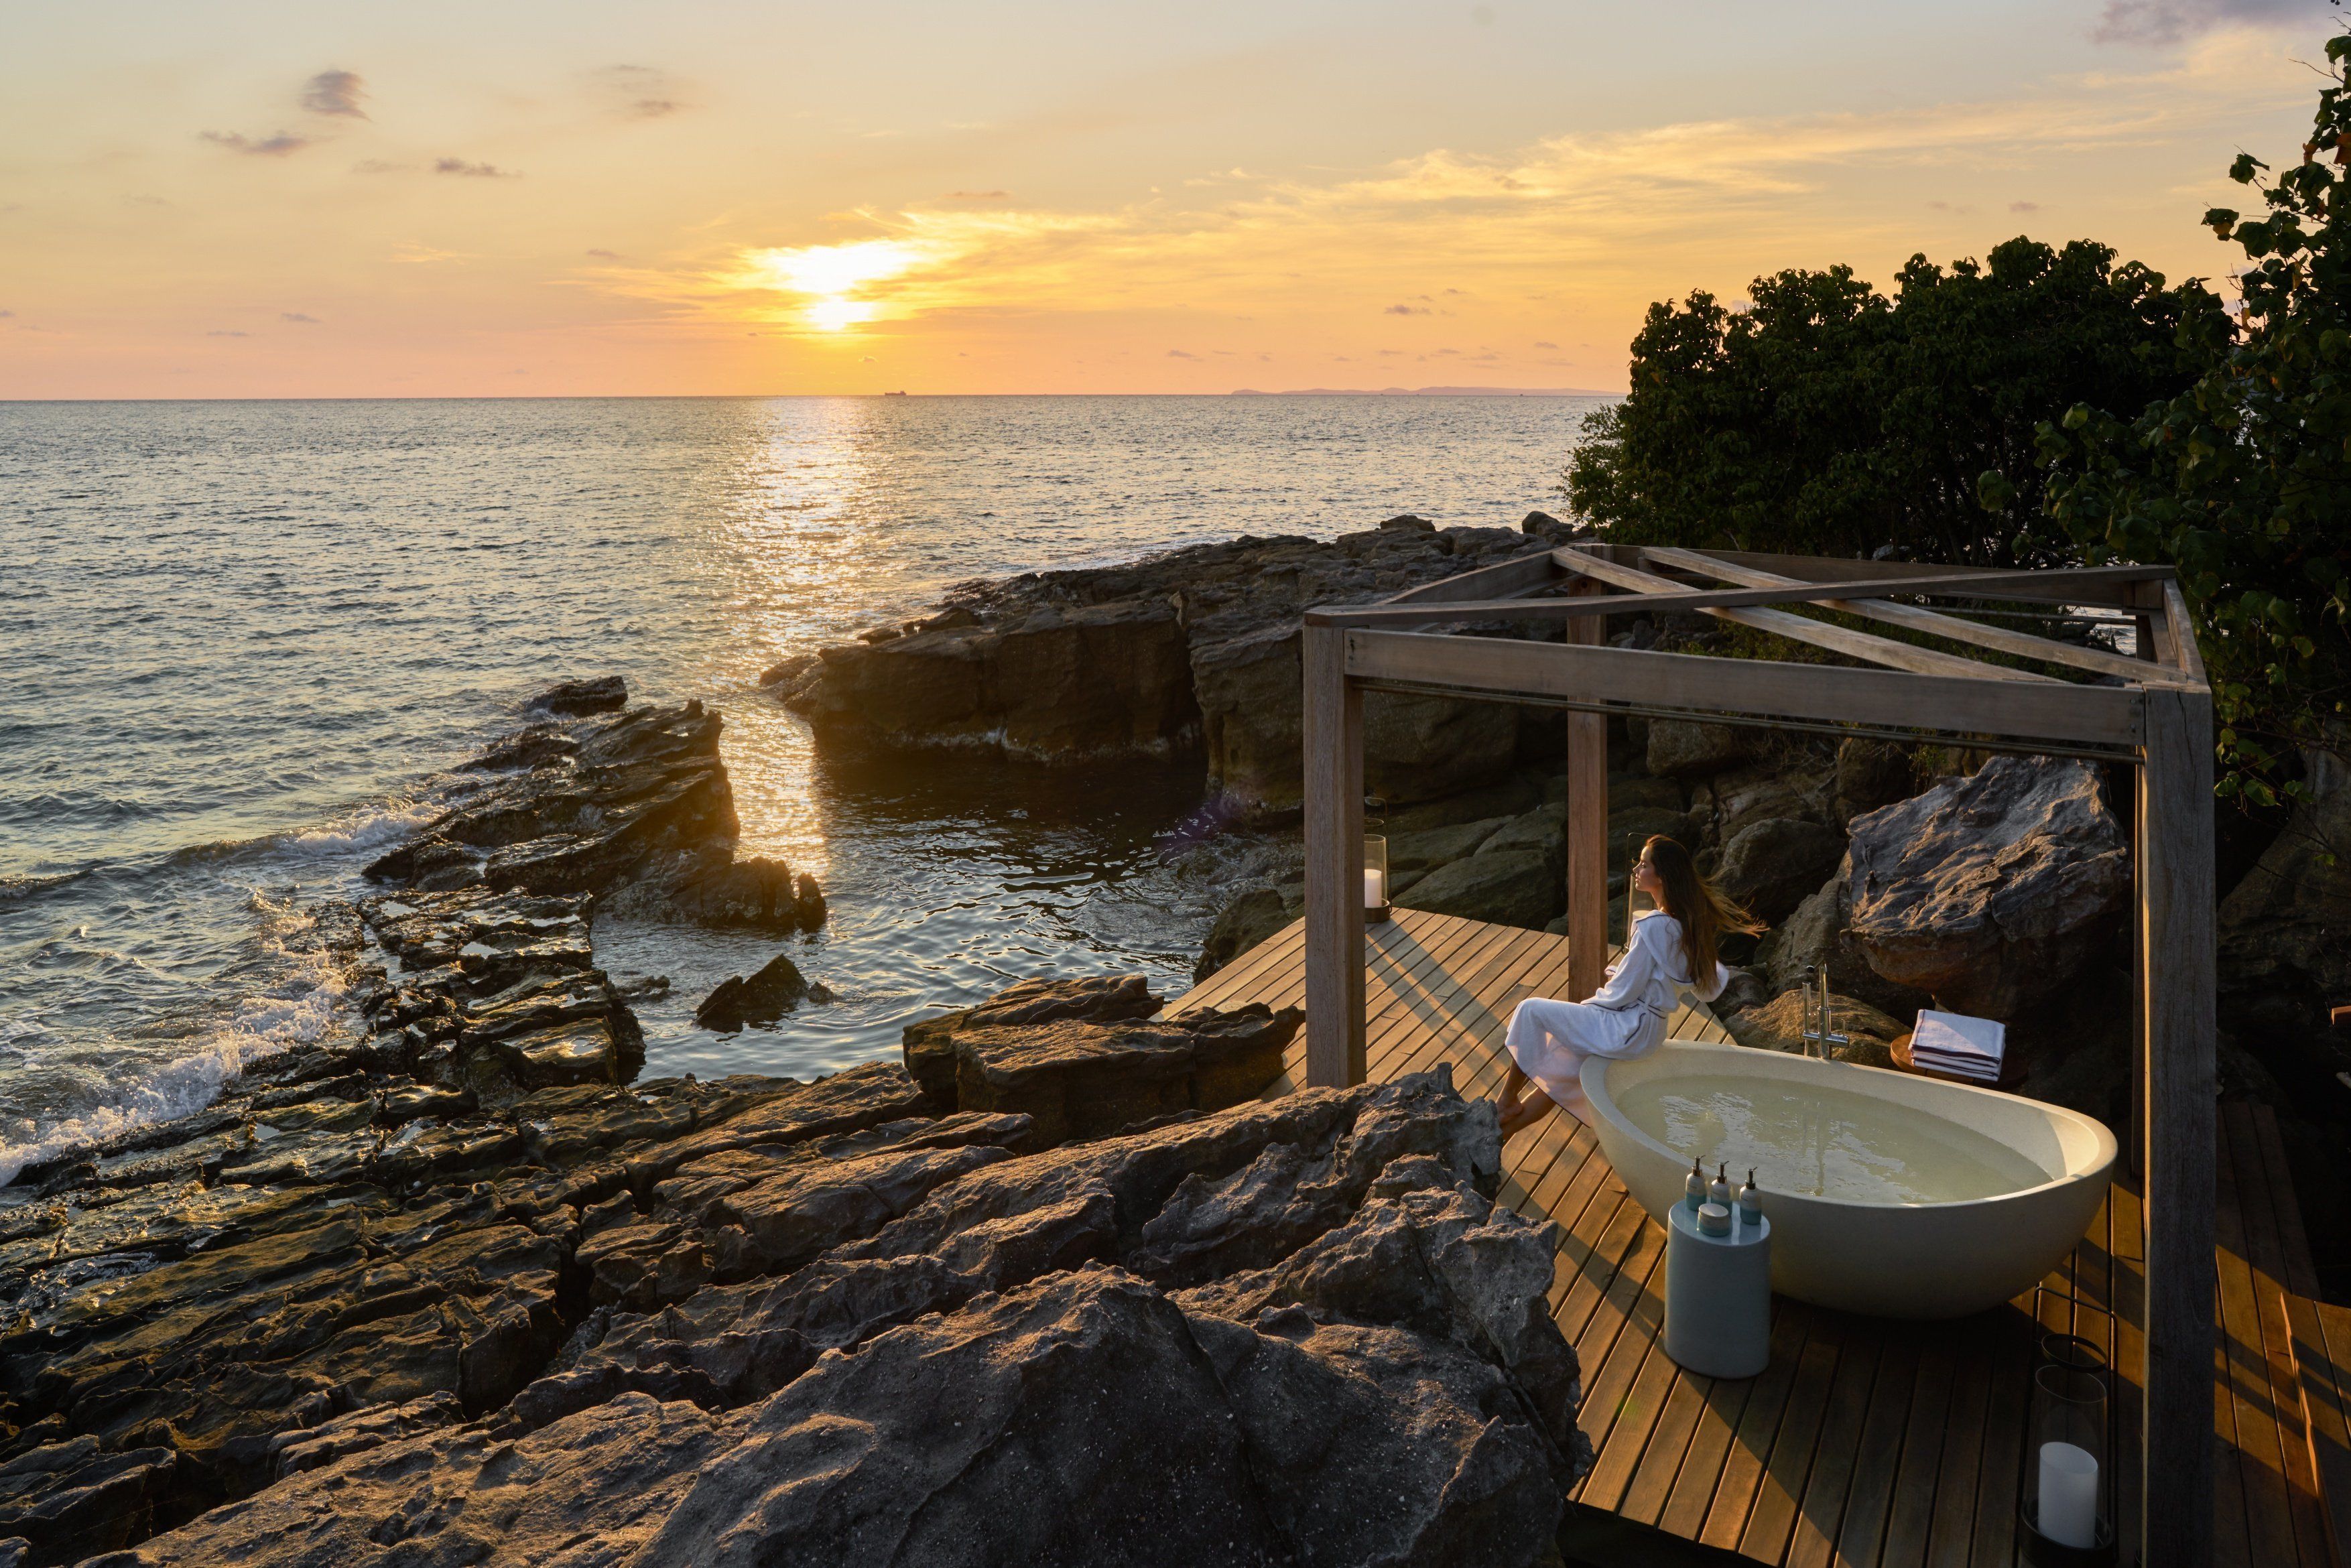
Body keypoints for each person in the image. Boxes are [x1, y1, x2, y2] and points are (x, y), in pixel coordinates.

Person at [1496, 835, 1759, 1138]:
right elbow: (1703, 989)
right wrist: (1624, 973)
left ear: (1661, 876)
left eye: (1644, 864)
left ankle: (1506, 1101)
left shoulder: (1654, 926)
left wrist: (1590, 1008)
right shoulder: (1686, 926)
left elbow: (1624, 991)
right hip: (1649, 1031)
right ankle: (1503, 1134)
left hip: (1627, 1027)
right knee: (1563, 1071)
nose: (1636, 869)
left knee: (1530, 1010)